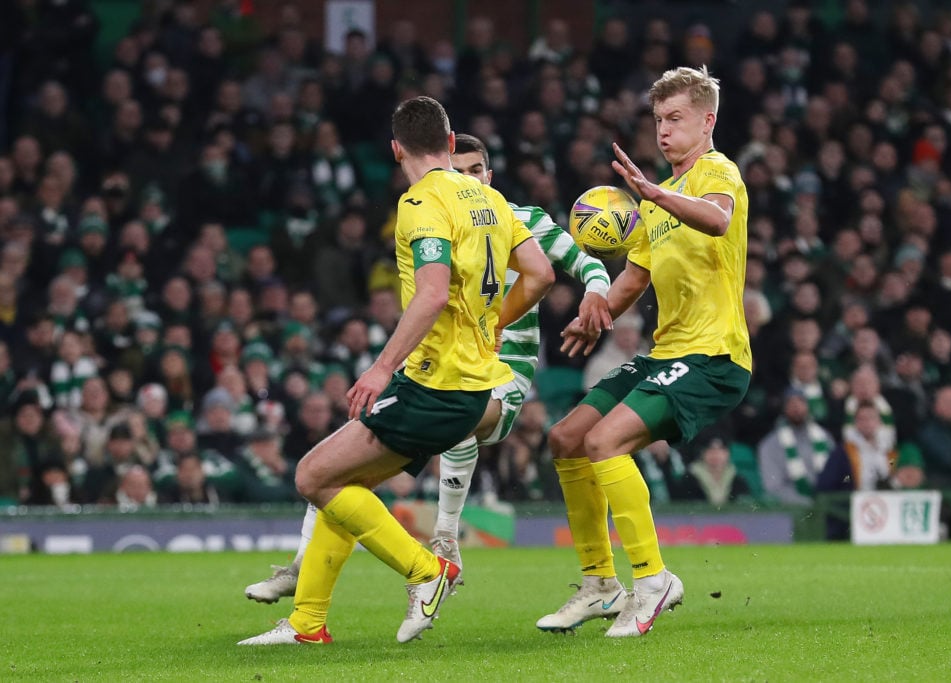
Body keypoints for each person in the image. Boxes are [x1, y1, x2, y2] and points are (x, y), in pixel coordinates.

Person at [238, 96, 554, 646]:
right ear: (452, 145)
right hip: (476, 384)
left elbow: (430, 294)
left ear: (395, 149)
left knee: (312, 476)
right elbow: (541, 272)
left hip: (436, 384)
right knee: (344, 481)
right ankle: (308, 624)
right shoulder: (489, 198)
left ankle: (427, 571)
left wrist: (381, 368)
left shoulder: (419, 204)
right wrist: (495, 324)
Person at [540, 66, 750, 637]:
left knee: (605, 442)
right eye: (658, 120)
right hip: (667, 353)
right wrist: (598, 308)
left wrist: (657, 193)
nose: (663, 131)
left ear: (706, 121)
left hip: (715, 356)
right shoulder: (656, 203)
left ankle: (653, 581)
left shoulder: (716, 172)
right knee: (566, 438)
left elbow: (717, 219)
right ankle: (599, 584)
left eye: (675, 119)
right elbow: (634, 279)